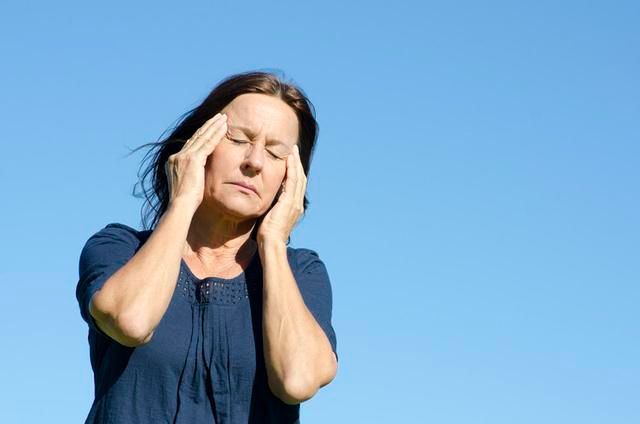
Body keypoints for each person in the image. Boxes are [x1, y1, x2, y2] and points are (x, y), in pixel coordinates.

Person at [75, 71, 338, 423]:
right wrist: (183, 200)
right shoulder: (119, 248)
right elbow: (131, 321)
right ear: (198, 145)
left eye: (276, 154)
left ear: (290, 178)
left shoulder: (302, 273)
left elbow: (298, 380)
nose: (254, 162)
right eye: (238, 138)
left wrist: (273, 244)